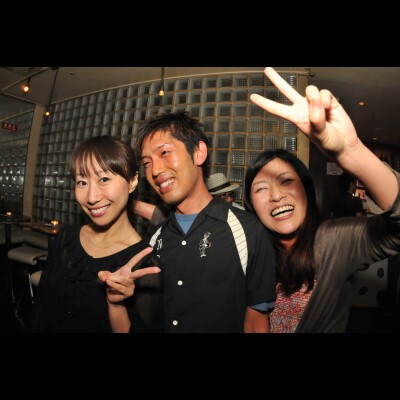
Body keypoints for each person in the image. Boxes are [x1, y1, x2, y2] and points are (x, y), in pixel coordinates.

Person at [243, 67, 400, 332]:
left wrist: (352, 154)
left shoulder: (332, 242)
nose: (276, 195)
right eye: (261, 189)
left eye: (286, 181)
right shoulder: (245, 249)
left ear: (306, 190)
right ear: (250, 204)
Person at [99, 111, 276, 333]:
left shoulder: (247, 231)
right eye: (147, 163)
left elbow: (256, 324)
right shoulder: (154, 240)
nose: (155, 170)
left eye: (165, 152)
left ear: (198, 153)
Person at [26, 135, 162, 333]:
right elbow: (41, 309)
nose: (91, 197)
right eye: (82, 182)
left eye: (104, 179)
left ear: (132, 181)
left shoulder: (144, 264)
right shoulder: (66, 238)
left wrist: (116, 304)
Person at [133, 172, 245, 226]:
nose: (229, 199)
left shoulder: (240, 213)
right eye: (223, 196)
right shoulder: (196, 214)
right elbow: (161, 216)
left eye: (230, 194)